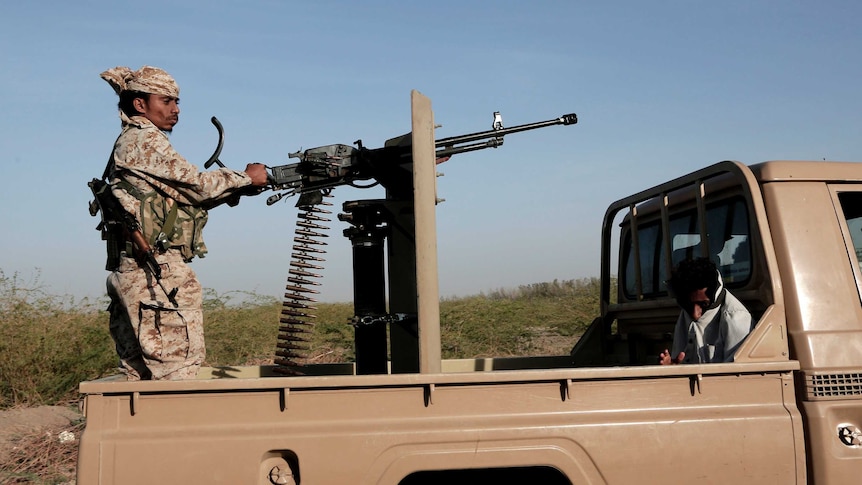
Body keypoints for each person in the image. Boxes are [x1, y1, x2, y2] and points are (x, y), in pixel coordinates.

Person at [98, 65, 268, 380]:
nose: (175, 110)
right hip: (155, 270)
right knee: (178, 369)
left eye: (177, 102)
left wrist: (239, 190)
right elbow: (197, 184)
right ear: (140, 104)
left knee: (139, 373)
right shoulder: (144, 139)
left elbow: (184, 197)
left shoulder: (131, 140)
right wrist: (248, 176)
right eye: (166, 101)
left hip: (134, 267)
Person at [659, 257, 754, 365]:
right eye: (688, 305)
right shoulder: (686, 310)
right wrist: (672, 368)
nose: (695, 314)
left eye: (703, 304)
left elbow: (735, 377)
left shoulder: (736, 319)